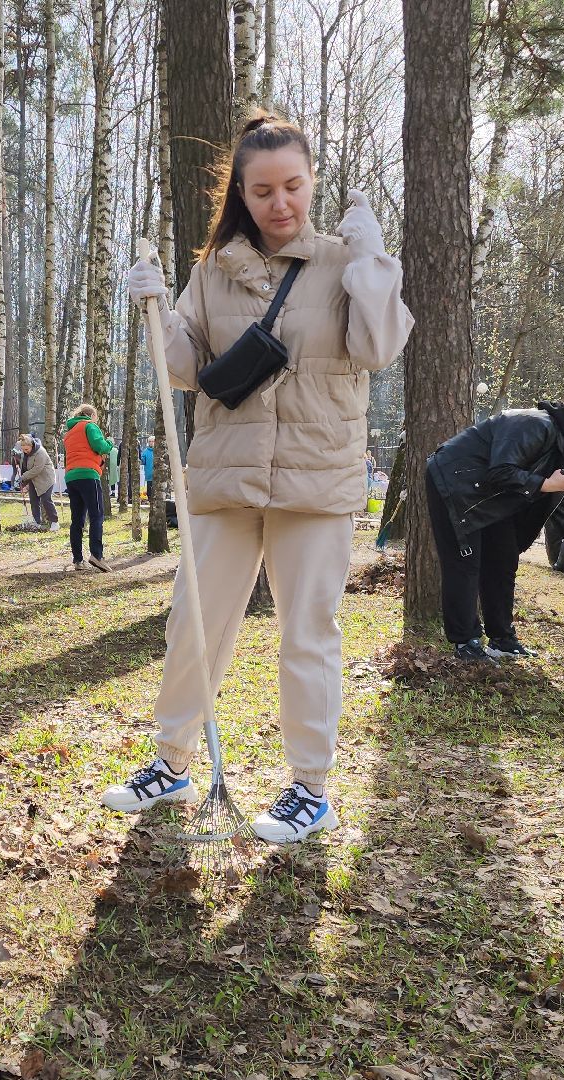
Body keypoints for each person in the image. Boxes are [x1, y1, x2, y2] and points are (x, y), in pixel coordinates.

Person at [109, 111, 412, 844]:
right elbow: (185, 369)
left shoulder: (343, 262)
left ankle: (310, 787)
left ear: (311, 184)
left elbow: (379, 347)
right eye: (263, 191)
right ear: (241, 195)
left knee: (307, 633)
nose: (281, 204)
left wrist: (374, 263)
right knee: (196, 620)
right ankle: (172, 761)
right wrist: (154, 309)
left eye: (293, 187)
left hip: (316, 483)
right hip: (225, 477)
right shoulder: (211, 272)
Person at [425, 385, 564, 663]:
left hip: (489, 494)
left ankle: (501, 638)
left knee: (503, 557)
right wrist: (546, 483)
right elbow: (501, 471)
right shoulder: (533, 425)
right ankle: (465, 643)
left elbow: (557, 499)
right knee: (465, 563)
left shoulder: (560, 447)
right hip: (454, 483)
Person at [61, 404, 114, 571]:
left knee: (77, 520)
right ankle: (97, 556)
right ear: (91, 415)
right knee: (96, 515)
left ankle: (78, 560)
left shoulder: (69, 433)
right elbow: (100, 446)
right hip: (88, 475)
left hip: (71, 477)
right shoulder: (89, 426)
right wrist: (109, 443)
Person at [16, 433, 58, 530]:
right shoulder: (25, 455)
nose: (25, 452)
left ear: (32, 445)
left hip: (46, 479)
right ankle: (36, 522)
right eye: (23, 450)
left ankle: (55, 522)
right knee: (34, 501)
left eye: (26, 449)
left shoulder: (40, 452)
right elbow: (25, 468)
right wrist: (24, 484)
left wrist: (23, 477)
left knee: (46, 500)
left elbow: (37, 469)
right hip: (34, 480)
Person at [140, 435, 157, 500]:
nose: (151, 443)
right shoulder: (145, 451)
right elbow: (142, 461)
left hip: (157, 474)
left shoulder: (158, 451)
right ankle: (150, 499)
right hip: (149, 473)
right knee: (149, 488)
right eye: (150, 441)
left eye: (152, 441)